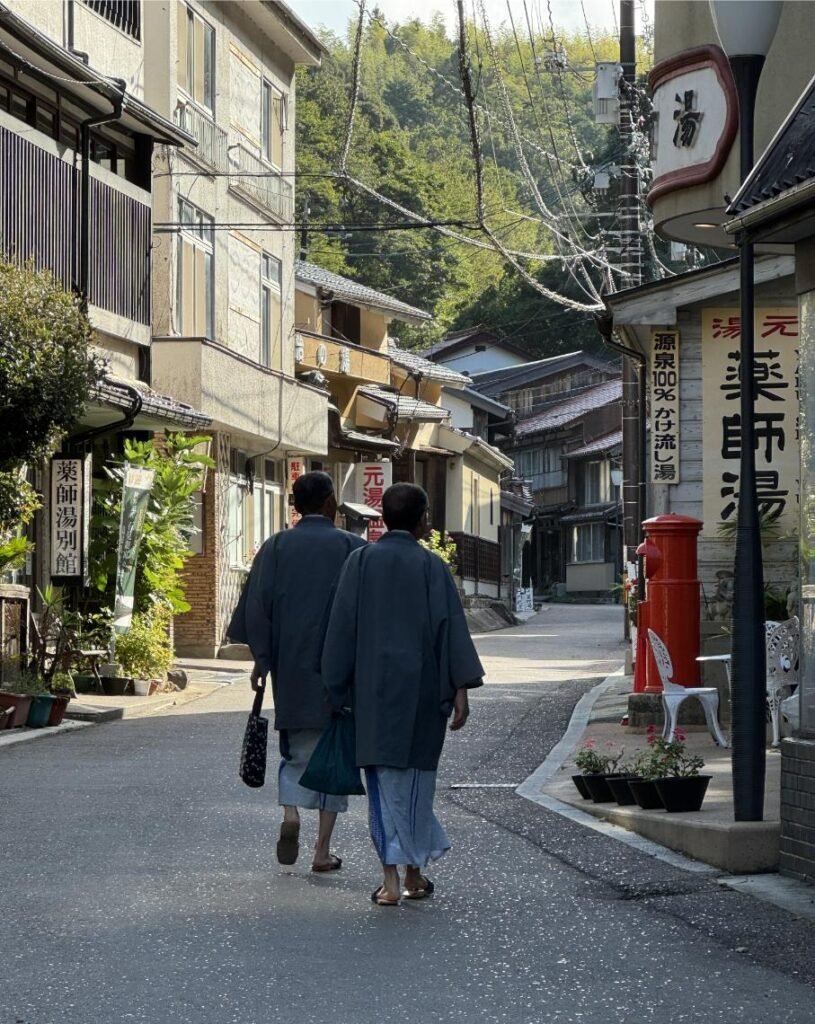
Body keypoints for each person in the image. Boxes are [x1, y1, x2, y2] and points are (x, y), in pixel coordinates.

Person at [321, 482, 484, 906]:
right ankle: (414, 872)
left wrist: (335, 687)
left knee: (382, 786)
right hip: (423, 693)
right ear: (423, 519)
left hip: (371, 694)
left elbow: (340, 630)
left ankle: (391, 879)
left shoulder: (359, 562)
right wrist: (461, 687)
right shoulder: (431, 567)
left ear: (383, 519)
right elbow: (450, 629)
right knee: (416, 784)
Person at [229, 471, 365, 871]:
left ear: (295, 506)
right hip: (339, 673)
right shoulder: (352, 548)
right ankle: (321, 851)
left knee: (295, 753)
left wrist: (262, 658)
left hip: (289, 669)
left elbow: (257, 606)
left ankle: (290, 814)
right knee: (332, 758)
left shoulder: (275, 548)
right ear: (329, 504)